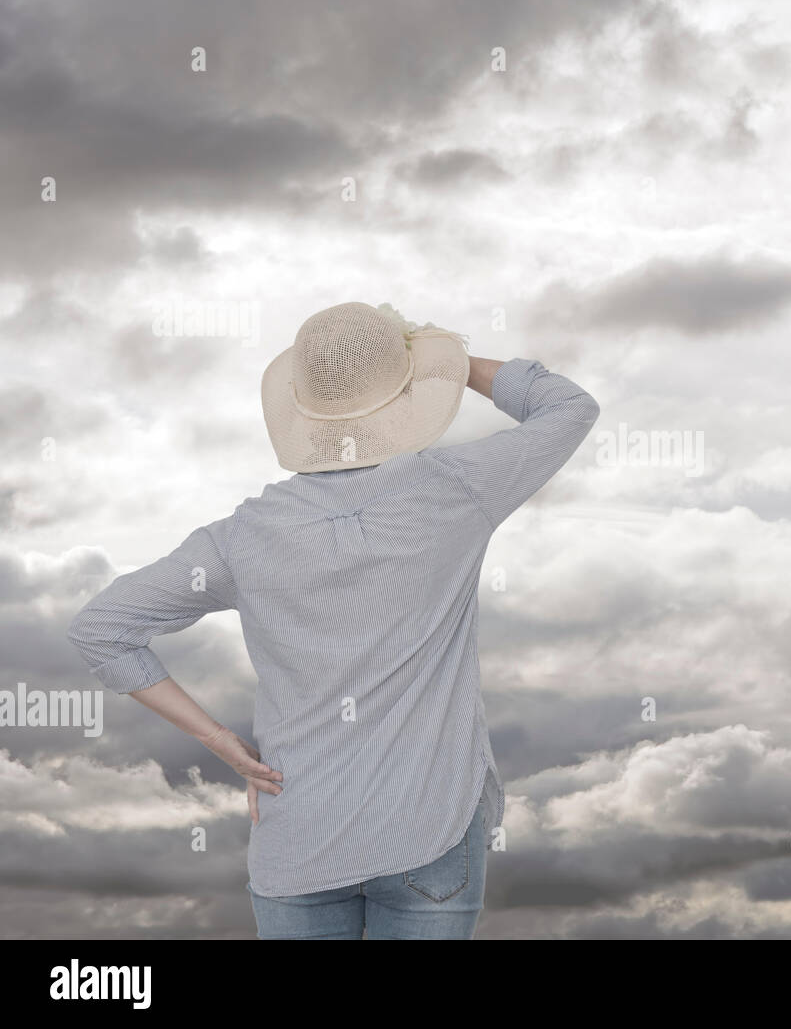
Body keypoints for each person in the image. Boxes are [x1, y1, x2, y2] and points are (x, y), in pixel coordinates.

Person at [66, 301, 600, 939]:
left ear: (300, 407)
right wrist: (450, 365)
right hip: (429, 830)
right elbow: (568, 406)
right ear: (405, 397)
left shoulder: (240, 539)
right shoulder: (461, 489)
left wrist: (221, 743)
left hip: (297, 835)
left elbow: (102, 628)